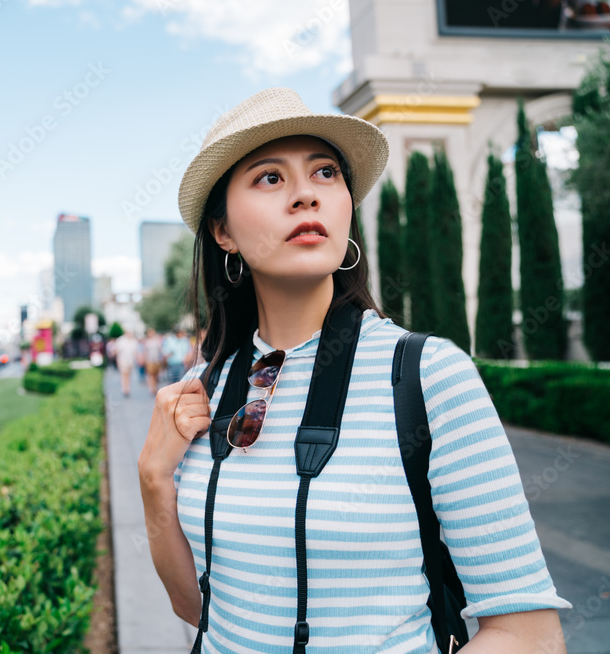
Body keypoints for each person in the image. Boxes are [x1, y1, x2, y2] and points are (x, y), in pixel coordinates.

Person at [137, 88, 570, 653]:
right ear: (223, 231)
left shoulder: (428, 375)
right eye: (269, 177)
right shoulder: (205, 387)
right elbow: (200, 609)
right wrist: (153, 479)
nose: (305, 197)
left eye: (325, 173)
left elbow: (529, 634)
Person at [114, 330, 139, 397]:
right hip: (122, 360)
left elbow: (135, 352)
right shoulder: (120, 340)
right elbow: (116, 351)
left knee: (129, 375)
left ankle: (128, 388)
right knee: (124, 375)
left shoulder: (134, 341)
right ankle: (125, 389)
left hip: (131, 361)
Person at [142, 328, 164, 394]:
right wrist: (144, 360)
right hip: (149, 361)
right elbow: (145, 352)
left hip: (157, 360)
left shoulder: (157, 341)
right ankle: (152, 388)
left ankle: (155, 386)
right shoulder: (146, 342)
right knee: (151, 375)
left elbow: (160, 350)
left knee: (156, 375)